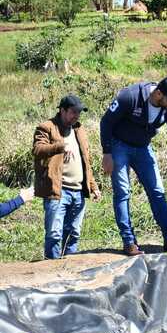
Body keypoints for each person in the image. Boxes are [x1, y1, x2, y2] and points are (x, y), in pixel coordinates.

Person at [101, 77, 167, 256]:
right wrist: (107, 153)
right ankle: (129, 241)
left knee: (157, 190)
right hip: (119, 146)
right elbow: (106, 122)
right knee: (123, 191)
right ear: (158, 94)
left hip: (143, 147)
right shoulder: (130, 96)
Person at [33, 95, 101, 259]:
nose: (76, 116)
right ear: (62, 110)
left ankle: (69, 270)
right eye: (73, 112)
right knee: (55, 234)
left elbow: (86, 160)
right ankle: (51, 269)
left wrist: (92, 186)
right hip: (58, 191)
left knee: (73, 233)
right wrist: (60, 147)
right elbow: (37, 149)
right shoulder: (47, 127)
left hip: (78, 192)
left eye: (78, 113)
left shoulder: (78, 129)